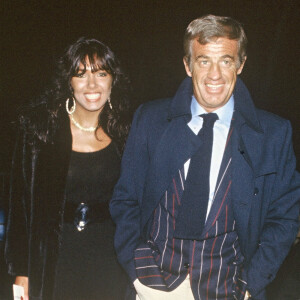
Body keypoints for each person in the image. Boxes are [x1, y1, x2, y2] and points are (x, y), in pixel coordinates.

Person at [110, 15, 300, 300]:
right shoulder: (150, 120)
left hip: (229, 290)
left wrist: (249, 285)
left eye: (225, 60)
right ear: (187, 65)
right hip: (153, 287)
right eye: (204, 61)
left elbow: (284, 220)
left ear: (241, 64)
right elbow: (125, 201)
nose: (215, 75)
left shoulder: (273, 134)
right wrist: (140, 275)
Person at [5, 37, 131, 300]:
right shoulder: (40, 130)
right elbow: (20, 207)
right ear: (68, 81)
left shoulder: (127, 132)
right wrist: (21, 273)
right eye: (81, 74)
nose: (92, 84)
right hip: (55, 263)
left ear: (112, 80)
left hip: (110, 264)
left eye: (101, 73)